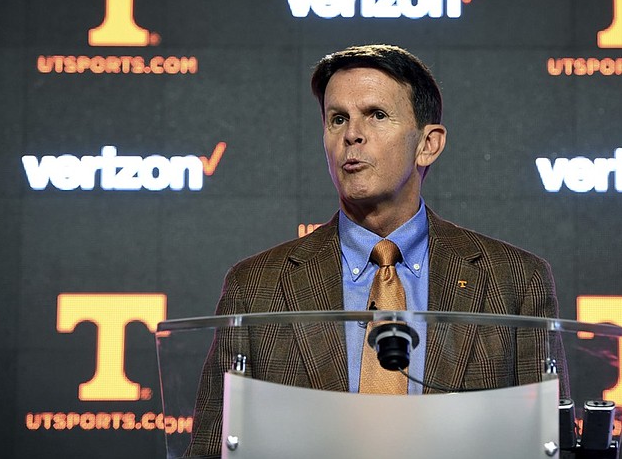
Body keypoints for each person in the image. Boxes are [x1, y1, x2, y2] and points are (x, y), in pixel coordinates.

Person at [188, 44, 567, 456]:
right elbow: (212, 449)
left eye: (377, 115)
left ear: (428, 144)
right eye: (337, 119)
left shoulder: (514, 281)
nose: (352, 134)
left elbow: (551, 445)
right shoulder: (256, 286)